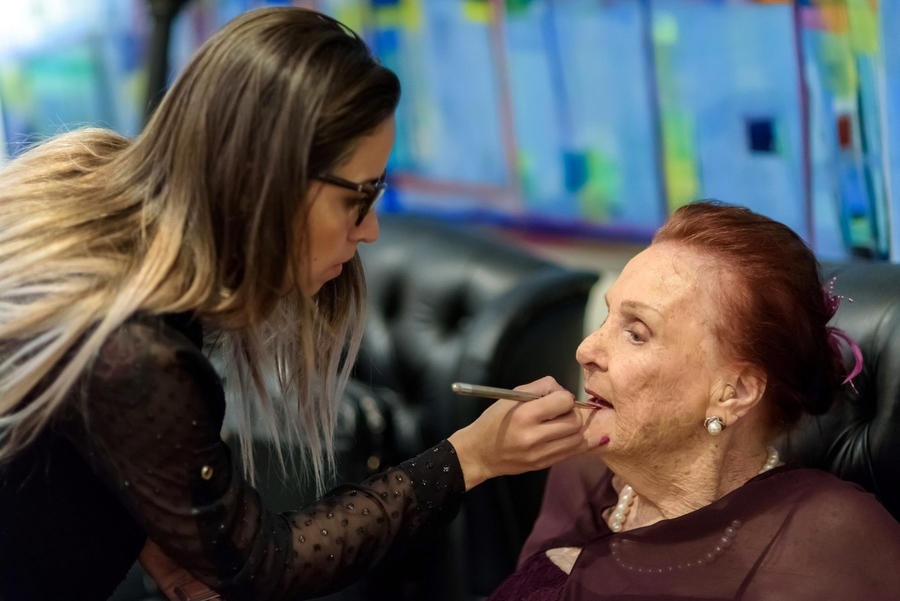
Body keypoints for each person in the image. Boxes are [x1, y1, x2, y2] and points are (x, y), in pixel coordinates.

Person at [0, 7, 597, 601]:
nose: (370, 233)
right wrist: (473, 455)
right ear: (269, 180)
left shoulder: (91, 179)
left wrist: (149, 521)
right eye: (359, 198)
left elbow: (71, 443)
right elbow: (265, 564)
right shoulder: (135, 352)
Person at [489, 201, 900, 601]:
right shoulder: (580, 476)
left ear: (733, 394)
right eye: (607, 318)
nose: (586, 349)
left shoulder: (831, 540)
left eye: (636, 332)